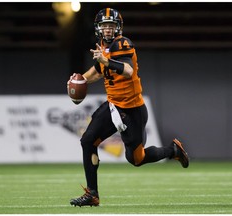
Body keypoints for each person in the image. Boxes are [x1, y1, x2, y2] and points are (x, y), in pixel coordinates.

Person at [68, 8, 189, 207]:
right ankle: (92, 193)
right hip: (114, 105)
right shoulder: (102, 46)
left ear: (118, 28)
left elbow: (127, 70)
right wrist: (80, 79)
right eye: (104, 26)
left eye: (111, 26)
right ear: (98, 28)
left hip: (132, 110)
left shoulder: (123, 43)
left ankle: (172, 150)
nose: (107, 30)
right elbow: (98, 71)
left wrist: (106, 60)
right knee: (88, 141)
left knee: (137, 159)